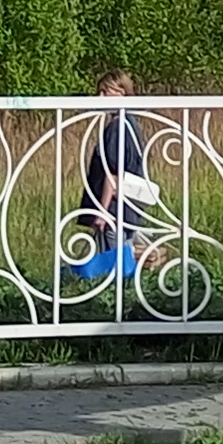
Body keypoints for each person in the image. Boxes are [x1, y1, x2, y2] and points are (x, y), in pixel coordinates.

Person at [73, 66, 156, 295]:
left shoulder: (117, 127)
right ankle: (127, 299)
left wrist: (101, 212)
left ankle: (117, 304)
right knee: (122, 260)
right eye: (99, 92)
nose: (101, 97)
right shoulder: (131, 124)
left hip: (114, 210)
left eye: (106, 91)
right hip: (127, 209)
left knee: (115, 266)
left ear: (122, 93)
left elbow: (114, 174)